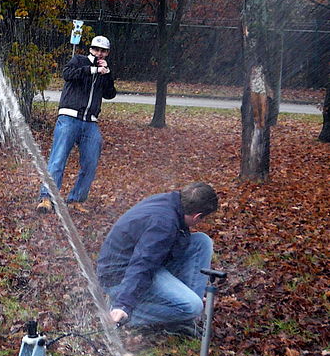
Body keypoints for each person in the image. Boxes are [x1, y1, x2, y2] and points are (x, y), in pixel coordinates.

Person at [96, 182, 218, 336]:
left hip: (143, 264)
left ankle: (184, 317)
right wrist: (123, 305)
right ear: (197, 216)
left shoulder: (172, 202)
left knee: (201, 242)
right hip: (119, 276)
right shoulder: (163, 225)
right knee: (193, 306)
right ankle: (122, 313)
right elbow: (142, 264)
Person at [37, 36, 117, 211]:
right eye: (96, 49)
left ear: (107, 53)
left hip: (90, 122)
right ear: (90, 49)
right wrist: (92, 70)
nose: (99, 53)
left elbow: (110, 94)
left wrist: (107, 74)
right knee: (58, 159)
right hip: (69, 117)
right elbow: (67, 74)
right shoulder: (79, 61)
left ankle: (75, 200)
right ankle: (46, 198)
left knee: (90, 162)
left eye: (103, 51)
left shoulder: (104, 71)